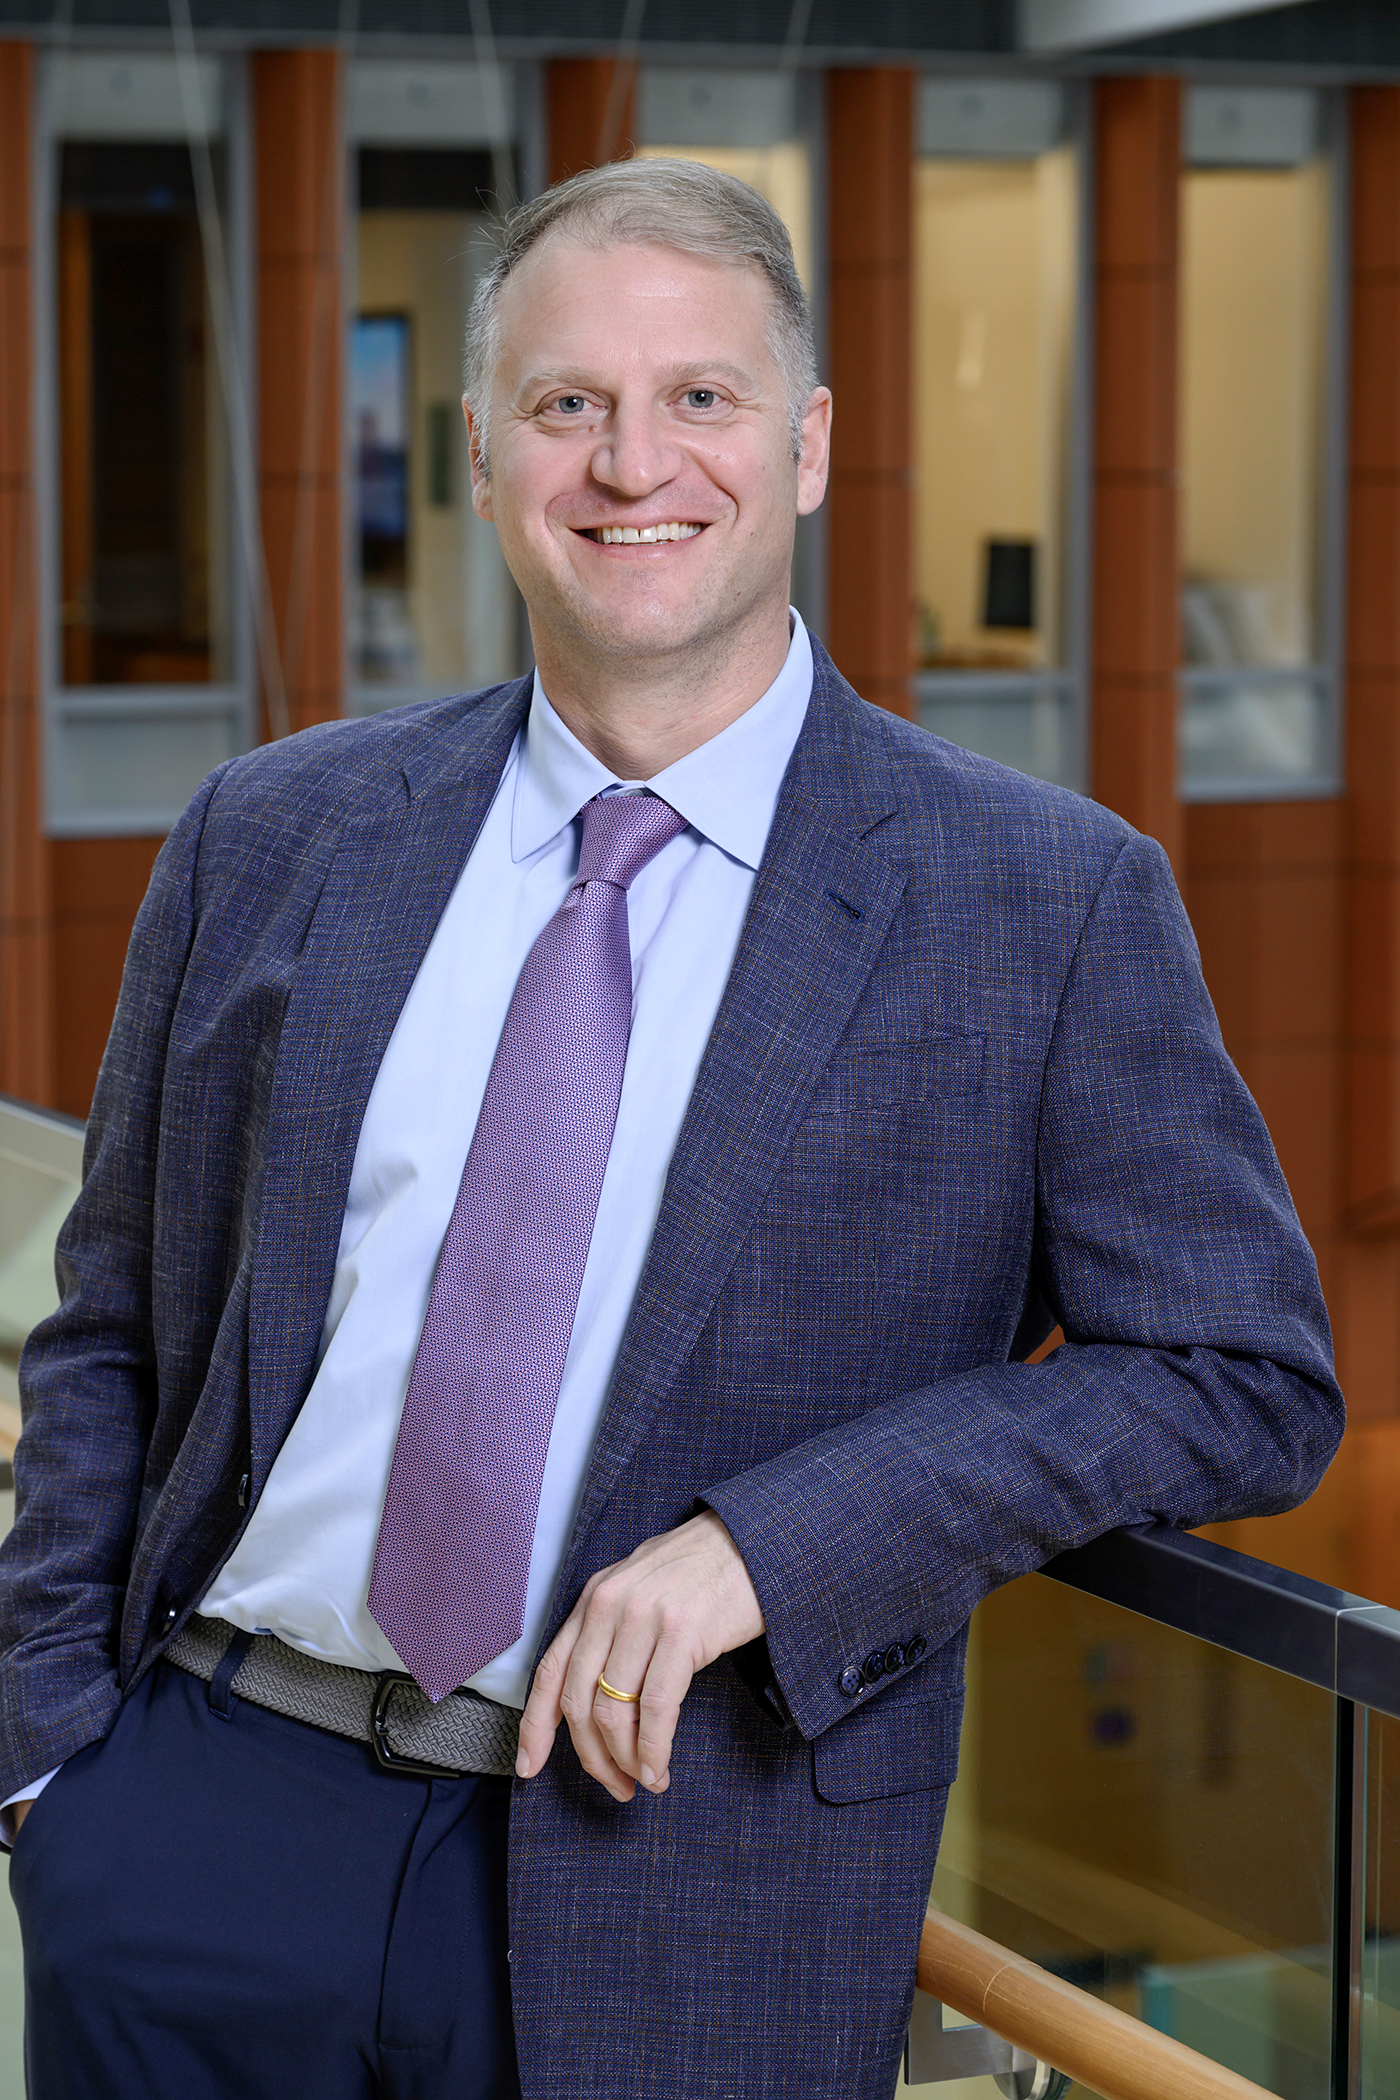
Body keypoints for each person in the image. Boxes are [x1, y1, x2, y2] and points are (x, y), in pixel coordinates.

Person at [0, 158, 1341, 2100]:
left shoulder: (1037, 901)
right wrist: (54, 1767)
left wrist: (776, 1545)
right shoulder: (275, 836)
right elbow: (114, 1321)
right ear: (481, 456)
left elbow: (1240, 1375)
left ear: (802, 449)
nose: (634, 463)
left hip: (686, 1881)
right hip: (200, 1818)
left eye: (699, 400)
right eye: (568, 406)